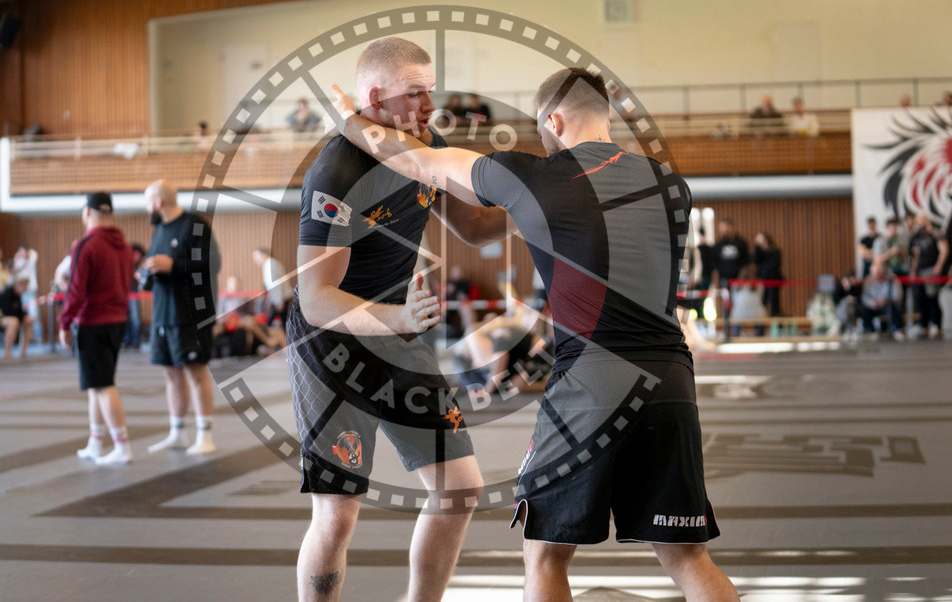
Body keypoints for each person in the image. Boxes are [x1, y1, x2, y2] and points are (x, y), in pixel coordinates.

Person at [330, 66, 738, 601]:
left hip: (591, 380)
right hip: (673, 382)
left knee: (543, 551)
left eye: (542, 129)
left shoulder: (536, 177)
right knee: (688, 557)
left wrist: (348, 118)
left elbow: (417, 162)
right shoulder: (671, 185)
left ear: (555, 119)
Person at [289, 37, 508, 602]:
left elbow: (478, 228)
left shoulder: (425, 144)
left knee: (458, 491)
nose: (431, 105)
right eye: (416, 93)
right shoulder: (335, 174)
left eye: (431, 90)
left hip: (400, 331)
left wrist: (538, 204)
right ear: (375, 97)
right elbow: (315, 297)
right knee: (337, 517)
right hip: (332, 342)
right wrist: (398, 315)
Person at [142, 179, 220, 456]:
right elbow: (158, 267)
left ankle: (205, 436)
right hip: (164, 313)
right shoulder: (159, 231)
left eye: (148, 201)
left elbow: (212, 264)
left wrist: (173, 265)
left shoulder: (194, 225)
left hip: (190, 315)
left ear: (159, 202)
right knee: (170, 373)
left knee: (196, 372)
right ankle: (177, 432)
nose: (147, 207)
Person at [58, 192, 135, 465]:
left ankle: (122, 446)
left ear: (87, 213)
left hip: (92, 321)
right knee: (95, 384)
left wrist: (64, 322)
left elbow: (76, 289)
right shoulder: (124, 248)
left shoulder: (86, 245)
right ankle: (95, 442)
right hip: (117, 320)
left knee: (103, 385)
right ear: (110, 214)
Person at [908, 213, 948, 339]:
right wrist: (913, 271)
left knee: (933, 298)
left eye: (920, 220)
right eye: (917, 221)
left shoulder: (936, 233)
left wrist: (939, 265)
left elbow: (944, 250)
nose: (918, 223)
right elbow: (915, 256)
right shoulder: (916, 237)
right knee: (920, 300)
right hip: (920, 271)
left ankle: (936, 326)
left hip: (931, 270)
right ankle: (923, 326)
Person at [0, 277, 34, 359]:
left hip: (9, 317)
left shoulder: (17, 296)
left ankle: (23, 351)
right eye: (23, 287)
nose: (25, 289)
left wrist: (24, 317)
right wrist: (20, 316)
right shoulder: (6, 294)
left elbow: (19, 311)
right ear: (17, 286)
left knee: (29, 320)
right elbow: (8, 312)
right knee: (14, 322)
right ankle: (7, 351)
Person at [860, 259, 904, 339]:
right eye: (874, 274)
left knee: (894, 307)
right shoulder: (868, 281)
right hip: (874, 306)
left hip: (887, 304)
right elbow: (864, 297)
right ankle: (872, 331)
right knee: (863, 309)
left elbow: (897, 295)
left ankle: (897, 330)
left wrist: (885, 300)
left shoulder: (892, 279)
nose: (877, 277)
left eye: (879, 274)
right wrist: (870, 302)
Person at [252, 247, 291, 326]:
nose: (256, 262)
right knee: (284, 322)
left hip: (281, 299)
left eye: (257, 258)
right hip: (279, 299)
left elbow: (276, 284)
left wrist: (279, 301)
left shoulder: (270, 264)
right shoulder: (269, 264)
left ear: (264, 255)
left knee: (278, 322)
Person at [11, 244, 42, 343]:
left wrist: (27, 252)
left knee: (34, 314)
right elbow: (13, 273)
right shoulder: (18, 263)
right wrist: (16, 258)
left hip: (30, 291)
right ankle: (27, 337)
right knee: (23, 315)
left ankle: (38, 337)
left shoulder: (31, 261)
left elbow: (35, 255)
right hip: (21, 292)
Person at [753, 232, 782, 317]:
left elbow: (775, 265)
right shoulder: (759, 252)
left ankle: (776, 325)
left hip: (773, 280)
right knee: (762, 303)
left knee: (774, 303)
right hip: (762, 281)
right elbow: (755, 261)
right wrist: (758, 248)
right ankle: (760, 327)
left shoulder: (774, 251)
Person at [122, 243, 145, 349]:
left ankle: (136, 340)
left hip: (134, 294)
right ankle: (126, 340)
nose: (136, 257)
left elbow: (143, 280)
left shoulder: (139, 267)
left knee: (136, 318)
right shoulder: (124, 264)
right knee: (125, 318)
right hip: (124, 293)